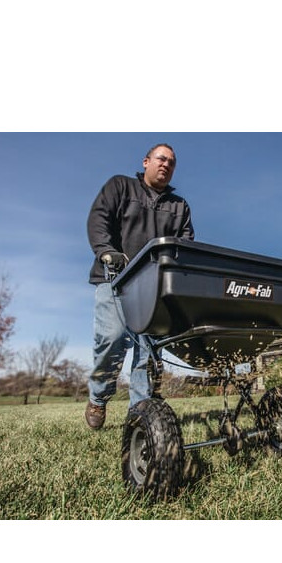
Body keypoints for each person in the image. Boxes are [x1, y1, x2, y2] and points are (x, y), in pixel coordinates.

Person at [84, 143, 194, 429]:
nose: (166, 164)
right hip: (115, 279)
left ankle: (141, 413)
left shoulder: (179, 206)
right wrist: (106, 251)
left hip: (154, 288)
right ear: (146, 162)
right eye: (161, 158)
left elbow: (185, 244)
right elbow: (98, 219)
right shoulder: (121, 187)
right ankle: (98, 397)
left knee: (148, 350)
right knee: (112, 339)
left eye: (171, 162)